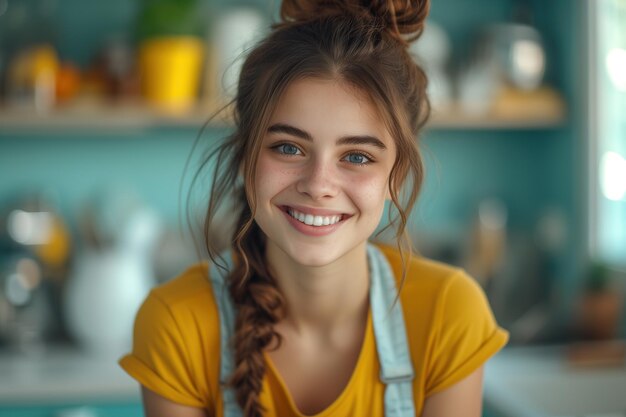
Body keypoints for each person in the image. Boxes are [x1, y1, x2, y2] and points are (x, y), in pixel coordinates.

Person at [119, 0, 509, 416]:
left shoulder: (449, 315)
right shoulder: (177, 324)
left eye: (357, 156)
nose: (318, 185)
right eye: (288, 147)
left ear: (396, 178)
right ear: (245, 159)